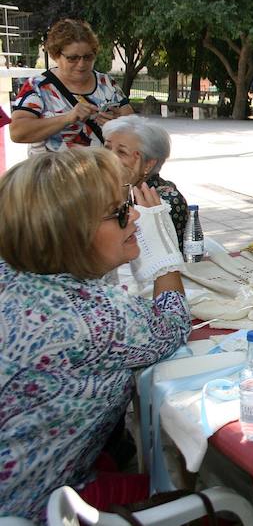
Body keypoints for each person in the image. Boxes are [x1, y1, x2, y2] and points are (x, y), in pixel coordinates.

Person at [0, 147, 190, 519]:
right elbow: (173, 323)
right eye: (121, 211)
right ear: (72, 235)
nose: (135, 215)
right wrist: (164, 256)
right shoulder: (88, 318)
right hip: (34, 504)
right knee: (207, 490)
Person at [9, 18, 134, 155]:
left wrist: (118, 123)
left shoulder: (106, 83)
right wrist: (67, 118)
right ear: (55, 55)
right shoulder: (37, 87)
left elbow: (134, 125)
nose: (81, 64)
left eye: (88, 57)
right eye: (72, 58)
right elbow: (17, 132)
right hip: (53, 174)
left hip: (101, 173)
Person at [104, 115, 190, 251]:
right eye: (107, 148)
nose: (108, 157)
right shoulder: (103, 186)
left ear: (148, 165)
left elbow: (136, 251)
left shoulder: (167, 201)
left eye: (121, 152)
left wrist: (124, 193)